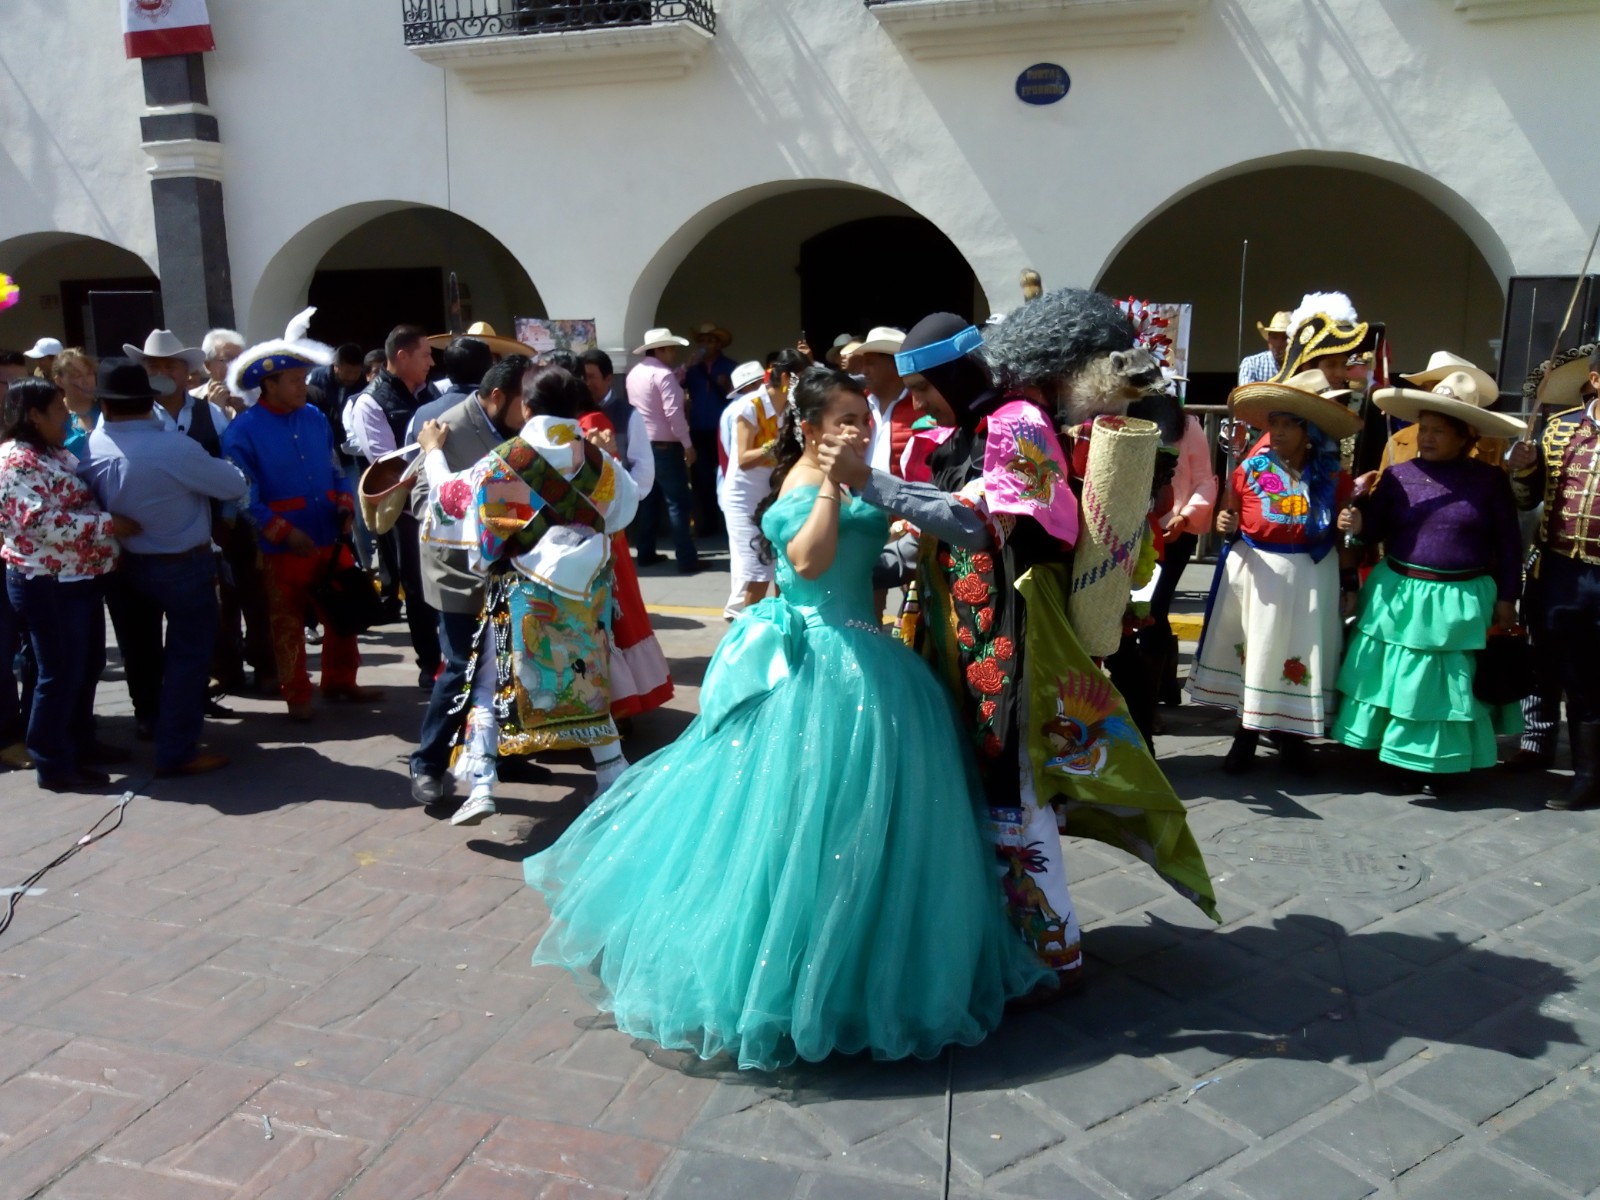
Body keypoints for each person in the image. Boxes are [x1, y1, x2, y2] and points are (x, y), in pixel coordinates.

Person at [522, 365, 1055, 1071]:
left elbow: (882, 546)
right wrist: (839, 484)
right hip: (822, 670)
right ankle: (791, 985)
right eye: (846, 419)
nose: (861, 429)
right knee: (806, 832)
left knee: (876, 835)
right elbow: (807, 557)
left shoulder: (852, 472)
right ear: (809, 429)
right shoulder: (807, 487)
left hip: (874, 663)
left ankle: (859, 976)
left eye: (864, 417)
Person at [826, 307, 1218, 990]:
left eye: (921, 388)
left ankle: (1048, 950)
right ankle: (992, 937)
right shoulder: (960, 433)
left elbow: (979, 526)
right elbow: (930, 535)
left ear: (950, 373)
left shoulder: (1016, 426)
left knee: (1018, 787)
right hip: (961, 634)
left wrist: (872, 483)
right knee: (977, 787)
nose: (915, 403)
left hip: (1016, 636)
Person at [416, 366, 638, 826]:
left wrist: (433, 452)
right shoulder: (595, 462)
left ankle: (481, 785)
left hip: (519, 595)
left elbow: (450, 499)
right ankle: (612, 772)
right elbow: (626, 507)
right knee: (589, 681)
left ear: (527, 407)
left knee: (490, 684)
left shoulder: (504, 461)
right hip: (582, 597)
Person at [1332, 371, 1527, 789]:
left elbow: (1510, 545)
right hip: (1399, 594)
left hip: (1461, 600)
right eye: (1425, 429)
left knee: (1446, 691)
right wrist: (1358, 520)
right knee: (1395, 679)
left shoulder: (1490, 481)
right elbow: (1372, 532)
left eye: (1440, 431)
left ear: (1465, 437)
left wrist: (1508, 597)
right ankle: (1392, 757)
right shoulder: (1399, 477)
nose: (1428, 438)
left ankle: (1444, 763)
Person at [79, 360, 251, 777]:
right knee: (187, 659)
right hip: (180, 563)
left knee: (140, 652)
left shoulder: (91, 446)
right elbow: (234, 485)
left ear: (106, 403)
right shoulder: (172, 447)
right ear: (149, 401)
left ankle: (154, 724)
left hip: (122, 563)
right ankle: (176, 748)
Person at [1188, 370, 1360, 773]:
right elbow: (1231, 513)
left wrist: (1349, 580)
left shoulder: (1334, 478)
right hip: (1258, 572)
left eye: (1288, 425)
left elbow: (1342, 536)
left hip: (1314, 573)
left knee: (1300, 651)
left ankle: (1295, 737)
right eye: (1274, 424)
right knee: (1260, 652)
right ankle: (1246, 734)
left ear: (1310, 430)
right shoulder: (1249, 470)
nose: (1277, 432)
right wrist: (1224, 524)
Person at [223, 333, 384, 722]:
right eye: (294, 380)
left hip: (329, 536)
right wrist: (281, 531)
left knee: (343, 614)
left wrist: (346, 503)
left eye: (303, 378)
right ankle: (296, 694)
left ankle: (341, 681)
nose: (303, 386)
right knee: (287, 624)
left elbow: (334, 469)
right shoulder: (241, 432)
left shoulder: (314, 418)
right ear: (269, 384)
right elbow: (243, 496)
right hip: (283, 547)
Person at [408, 354, 531, 815]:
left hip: (510, 570)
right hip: (458, 572)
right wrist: (480, 517)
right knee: (460, 668)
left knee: (505, 669)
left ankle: (500, 757)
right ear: (498, 396)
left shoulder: (523, 429)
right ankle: (428, 763)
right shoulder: (445, 428)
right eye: (526, 402)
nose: (531, 411)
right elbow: (423, 502)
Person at [0, 379, 129, 791]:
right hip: (48, 583)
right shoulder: (17, 461)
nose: (67, 417)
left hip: (78, 578)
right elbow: (40, 523)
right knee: (58, 672)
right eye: (58, 410)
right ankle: (53, 763)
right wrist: (110, 525)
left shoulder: (52, 452)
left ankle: (80, 742)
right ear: (34, 415)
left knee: (84, 665)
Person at [1509, 343, 1600, 810]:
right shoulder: (1560, 429)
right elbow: (1527, 499)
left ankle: (1589, 772)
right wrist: (1522, 468)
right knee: (1562, 667)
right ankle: (1577, 768)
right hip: (1562, 570)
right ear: (1597, 381)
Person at [575, 363, 674, 723]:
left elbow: (611, 484)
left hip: (599, 535)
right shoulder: (576, 422)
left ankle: (616, 705)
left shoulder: (596, 420)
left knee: (609, 620)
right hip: (594, 534)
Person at [353, 324, 441, 685]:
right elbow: (388, 463)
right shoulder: (371, 402)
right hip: (406, 511)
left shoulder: (429, 392)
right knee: (418, 589)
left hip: (442, 502)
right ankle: (428, 664)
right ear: (401, 356)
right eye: (425, 355)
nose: (432, 363)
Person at [1141, 410, 1217, 707]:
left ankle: (1148, 704)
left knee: (1153, 608)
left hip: (1175, 531)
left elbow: (1204, 482)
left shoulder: (1188, 425)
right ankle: (1162, 689)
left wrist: (1185, 517)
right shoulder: (1121, 415)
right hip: (1133, 529)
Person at [720, 353, 803, 619]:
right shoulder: (750, 406)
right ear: (787, 379)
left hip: (774, 494)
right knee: (758, 570)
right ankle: (747, 633)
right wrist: (778, 445)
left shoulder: (790, 407)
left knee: (781, 566)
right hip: (744, 498)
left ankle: (782, 626)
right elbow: (744, 459)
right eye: (802, 379)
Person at [627, 326, 699, 573]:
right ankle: (687, 558)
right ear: (661, 350)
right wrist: (688, 444)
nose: (673, 354)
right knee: (678, 502)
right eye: (670, 350)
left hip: (641, 444)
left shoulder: (634, 373)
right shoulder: (664, 375)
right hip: (665, 446)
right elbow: (673, 413)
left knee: (649, 501)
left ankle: (645, 552)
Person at [1377, 352, 1512, 470]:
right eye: (1427, 387)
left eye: (1440, 384)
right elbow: (1384, 491)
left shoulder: (1493, 444)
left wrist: (1523, 469)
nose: (1434, 392)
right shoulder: (1399, 440)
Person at [124, 330, 230, 450]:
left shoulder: (212, 413)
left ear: (186, 372)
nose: (162, 373)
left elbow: (230, 459)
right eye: (154, 366)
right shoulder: (126, 415)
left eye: (170, 366)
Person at [684, 322, 737, 538]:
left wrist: (726, 386)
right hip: (698, 428)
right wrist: (687, 367)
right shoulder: (692, 369)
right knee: (701, 478)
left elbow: (738, 396)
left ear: (719, 344)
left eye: (711, 340)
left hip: (722, 429)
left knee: (728, 474)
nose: (706, 344)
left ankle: (729, 521)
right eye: (702, 341)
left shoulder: (731, 366)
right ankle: (706, 523)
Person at [858, 327, 915, 477]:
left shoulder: (920, 408)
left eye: (870, 363)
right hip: (856, 498)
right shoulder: (859, 405)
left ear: (895, 364)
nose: (864, 370)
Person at [51, 348, 98, 459]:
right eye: (77, 376)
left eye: (89, 374)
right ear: (59, 381)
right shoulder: (53, 417)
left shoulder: (108, 409)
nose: (86, 381)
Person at [1237, 311, 1290, 386]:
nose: (1278, 344)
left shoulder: (1300, 366)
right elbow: (1246, 394)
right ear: (1268, 340)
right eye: (1274, 338)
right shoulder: (1252, 364)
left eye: (1284, 338)